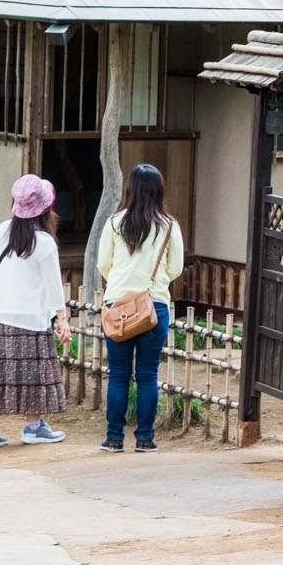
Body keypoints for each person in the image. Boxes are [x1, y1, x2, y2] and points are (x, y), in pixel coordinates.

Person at [0, 174, 71, 448]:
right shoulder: (45, 243)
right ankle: (33, 427)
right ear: (45, 209)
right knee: (34, 374)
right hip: (32, 318)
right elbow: (53, 286)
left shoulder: (1, 231)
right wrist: (62, 319)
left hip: (0, 314)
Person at [98, 163, 185, 453]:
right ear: (160, 190)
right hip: (154, 306)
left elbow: (103, 265)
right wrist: (151, 285)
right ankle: (145, 438)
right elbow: (176, 268)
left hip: (118, 307)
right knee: (148, 375)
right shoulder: (169, 226)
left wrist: (123, 289)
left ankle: (114, 438)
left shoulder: (114, 223)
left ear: (130, 190)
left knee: (118, 374)